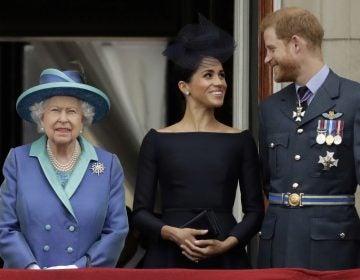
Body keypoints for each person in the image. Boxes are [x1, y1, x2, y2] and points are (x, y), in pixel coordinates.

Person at [132, 14, 264, 269]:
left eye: (222, 75)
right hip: (168, 257)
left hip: (225, 256)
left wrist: (227, 243)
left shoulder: (240, 140)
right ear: (185, 86)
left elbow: (255, 211)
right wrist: (172, 233)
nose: (220, 83)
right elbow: (140, 213)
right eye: (208, 75)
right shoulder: (156, 140)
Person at [257, 7, 360, 270]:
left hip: (332, 247)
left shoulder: (353, 99)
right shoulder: (269, 108)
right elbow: (268, 181)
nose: (267, 59)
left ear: (295, 44)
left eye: (271, 48)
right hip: (277, 244)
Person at [0, 67, 129, 269]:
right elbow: (5, 226)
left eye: (72, 111)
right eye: (54, 110)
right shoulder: (18, 160)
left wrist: (78, 268)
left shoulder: (108, 164)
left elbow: (116, 230)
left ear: (83, 119)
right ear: (41, 118)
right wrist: (30, 268)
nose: (63, 119)